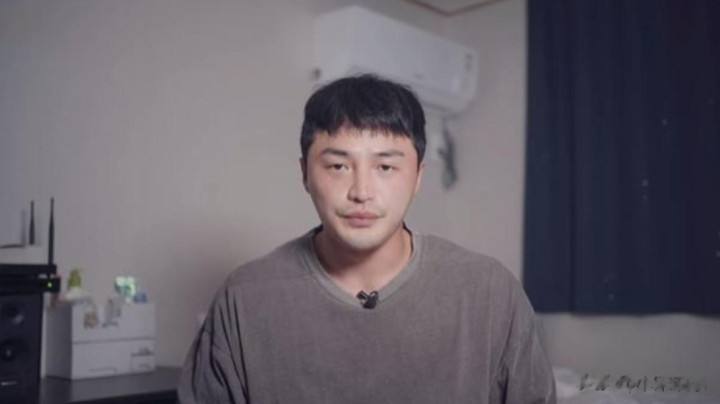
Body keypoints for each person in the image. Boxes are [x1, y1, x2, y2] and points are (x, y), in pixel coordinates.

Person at [177, 74, 556, 404]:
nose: (361, 191)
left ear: (418, 176)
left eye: (386, 167)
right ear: (305, 174)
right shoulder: (245, 297)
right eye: (338, 166)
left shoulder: (489, 291)